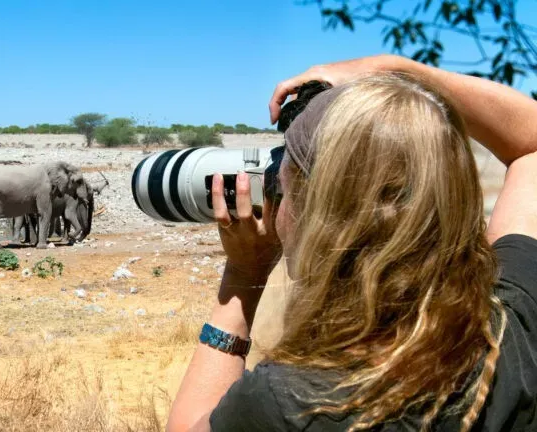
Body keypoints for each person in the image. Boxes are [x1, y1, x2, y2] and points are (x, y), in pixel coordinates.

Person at [167, 54, 537, 431]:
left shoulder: (294, 403)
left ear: (318, 216)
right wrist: (399, 70)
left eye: (284, 184)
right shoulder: (508, 327)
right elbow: (531, 143)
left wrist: (242, 278)